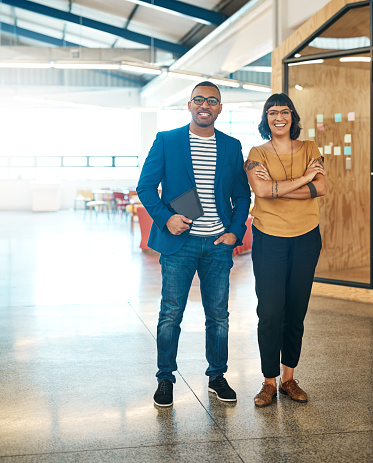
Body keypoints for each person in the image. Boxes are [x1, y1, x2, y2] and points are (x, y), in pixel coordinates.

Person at [137, 81, 251, 407]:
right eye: (199, 99)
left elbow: (242, 195)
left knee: (218, 316)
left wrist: (234, 231)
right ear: (189, 105)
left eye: (212, 100)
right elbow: (146, 187)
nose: (205, 105)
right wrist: (165, 218)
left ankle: (217, 376)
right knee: (171, 313)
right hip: (179, 243)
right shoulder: (167, 141)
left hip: (218, 244)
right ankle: (165, 379)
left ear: (219, 108)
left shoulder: (230, 146)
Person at [244, 93, 327, 407]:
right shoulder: (256, 153)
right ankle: (268, 381)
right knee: (269, 312)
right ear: (266, 118)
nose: (278, 117)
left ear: (293, 116)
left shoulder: (309, 148)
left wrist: (281, 188)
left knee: (295, 311)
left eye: (284, 112)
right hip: (270, 238)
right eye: (272, 112)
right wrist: (303, 179)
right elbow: (261, 191)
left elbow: (322, 187)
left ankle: (288, 379)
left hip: (307, 237)